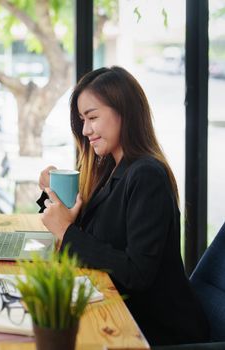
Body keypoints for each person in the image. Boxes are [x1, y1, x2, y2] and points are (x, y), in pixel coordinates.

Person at [36, 66, 209, 346]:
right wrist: (53, 199)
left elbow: (136, 273)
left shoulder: (146, 175)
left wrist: (67, 232)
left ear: (124, 113)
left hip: (157, 330)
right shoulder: (112, 170)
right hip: (122, 312)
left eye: (92, 117)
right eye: (82, 119)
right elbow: (100, 240)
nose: (85, 129)